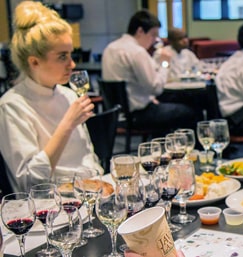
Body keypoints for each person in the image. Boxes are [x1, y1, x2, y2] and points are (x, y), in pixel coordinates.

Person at [0, 1, 103, 192]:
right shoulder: (12, 106)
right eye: (62, 56)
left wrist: (98, 183)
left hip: (86, 194)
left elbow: (88, 156)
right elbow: (30, 183)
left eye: (71, 55)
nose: (72, 64)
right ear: (34, 62)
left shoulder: (68, 95)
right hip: (49, 206)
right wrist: (67, 124)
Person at [102, 10, 199, 133]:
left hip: (118, 113)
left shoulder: (110, 48)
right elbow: (156, 88)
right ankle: (189, 148)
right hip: (140, 114)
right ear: (140, 31)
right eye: (153, 35)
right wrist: (165, 63)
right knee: (190, 111)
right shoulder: (137, 51)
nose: (154, 40)